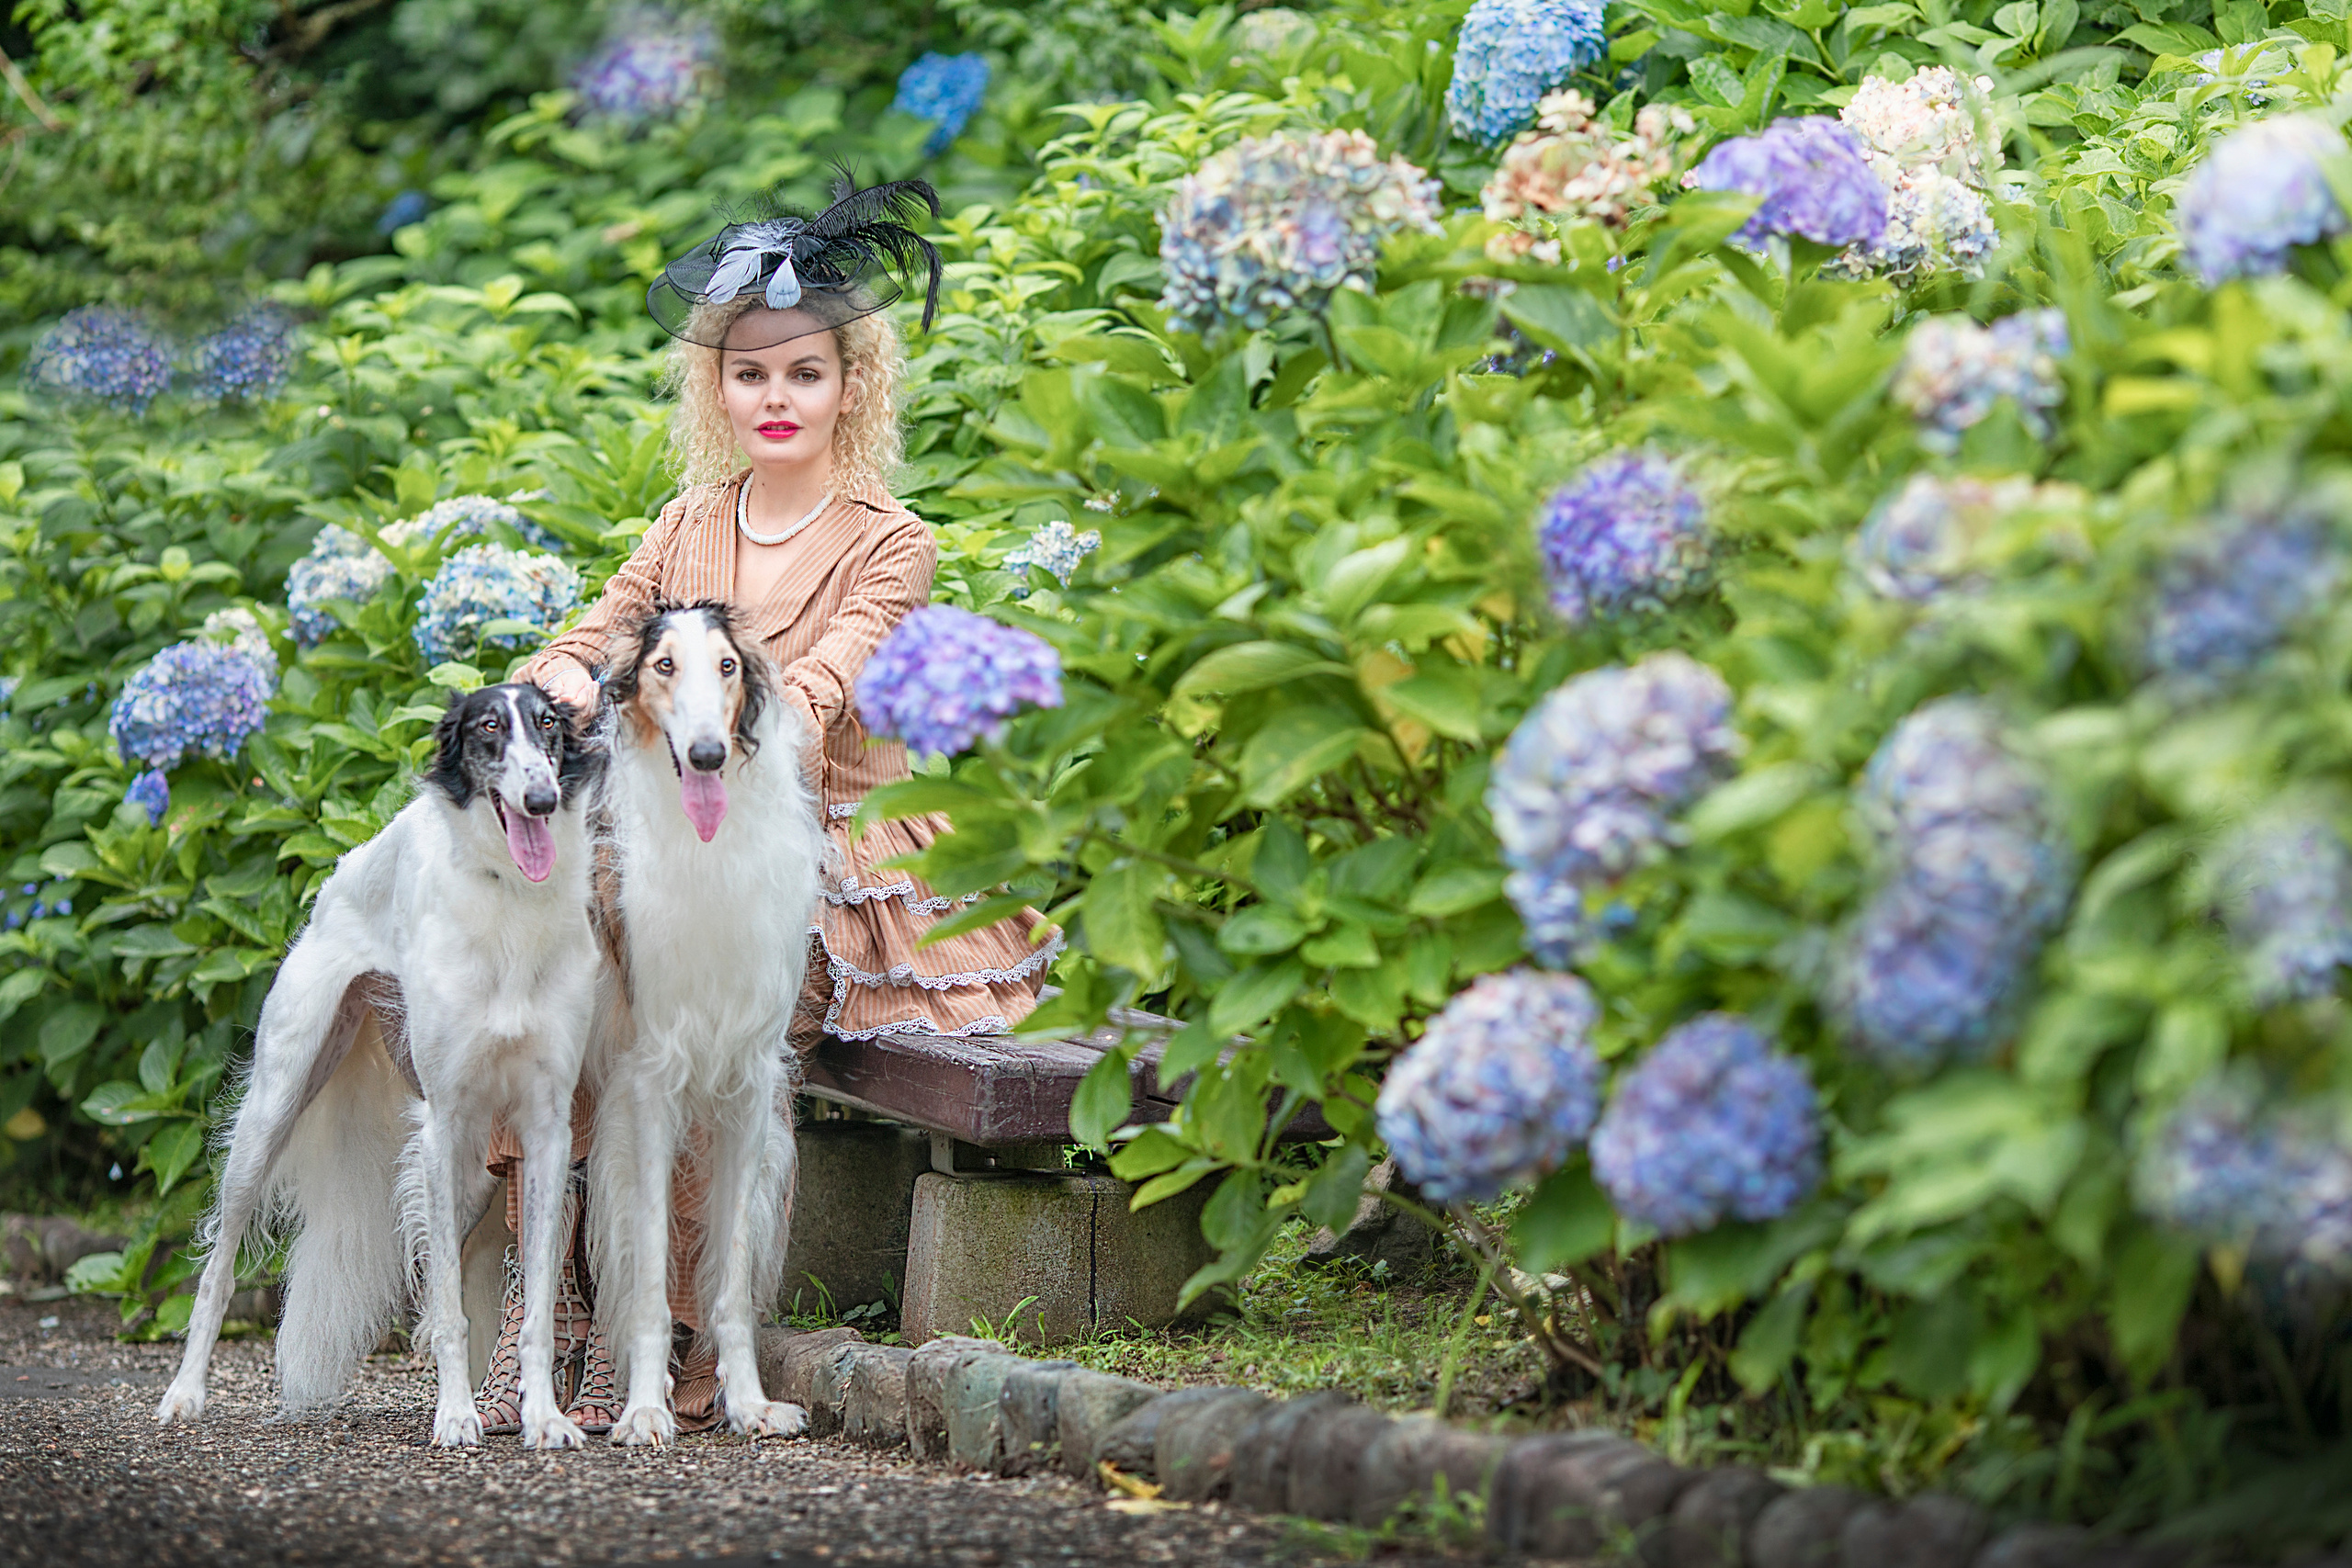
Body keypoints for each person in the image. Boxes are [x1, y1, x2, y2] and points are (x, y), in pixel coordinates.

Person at [469, 176, 1057, 1436]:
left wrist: (721, 709)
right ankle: (553, 1300)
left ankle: (684, 1330)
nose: (776, 400)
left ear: (853, 384)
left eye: (803, 373)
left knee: (695, 1029)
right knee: (557, 965)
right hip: (673, 834)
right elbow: (595, 636)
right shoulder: (689, 521)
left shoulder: (890, 540)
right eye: (749, 376)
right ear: (716, 391)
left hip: (817, 842)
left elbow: (829, 684)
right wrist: (561, 687)